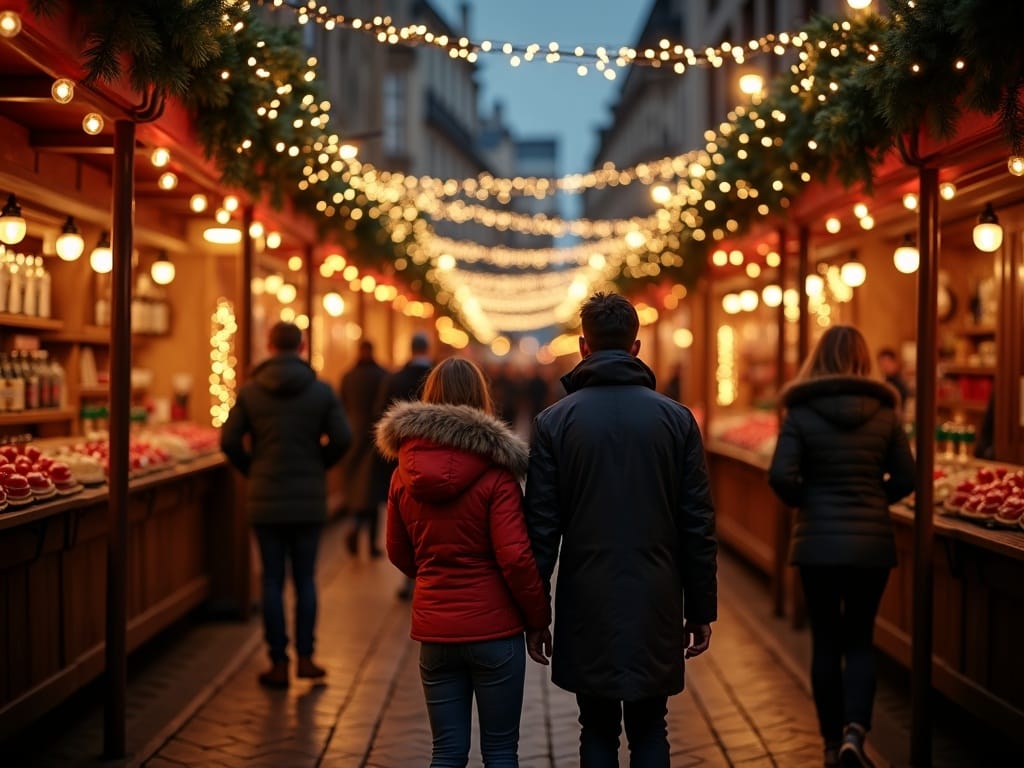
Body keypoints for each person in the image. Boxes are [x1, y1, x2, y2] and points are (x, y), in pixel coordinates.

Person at [524, 292, 718, 766]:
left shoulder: (554, 423)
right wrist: (700, 608)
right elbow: (697, 523)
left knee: (596, 728)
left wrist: (535, 614)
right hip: (657, 593)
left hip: (585, 593)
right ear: (636, 346)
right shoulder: (676, 421)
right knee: (652, 726)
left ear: (583, 347)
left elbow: (541, 529)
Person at [375, 357, 550, 767]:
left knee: (447, 751)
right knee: (500, 750)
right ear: (481, 400)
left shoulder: (403, 472)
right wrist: (538, 618)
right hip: (496, 630)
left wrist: (436, 577)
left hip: (436, 633)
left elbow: (398, 551)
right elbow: (516, 559)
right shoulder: (497, 474)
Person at [768, 326, 915, 768]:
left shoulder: (799, 411)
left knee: (827, 642)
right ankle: (856, 732)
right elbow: (907, 477)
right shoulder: (886, 411)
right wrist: (873, 501)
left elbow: (779, 475)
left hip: (817, 545)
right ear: (863, 359)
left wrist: (809, 503)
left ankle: (832, 745)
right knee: (862, 640)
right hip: (871, 546)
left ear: (818, 358)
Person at [221, 322, 352, 688]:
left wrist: (253, 469)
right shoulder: (320, 391)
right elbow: (344, 437)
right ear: (303, 346)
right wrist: (319, 465)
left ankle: (278, 661)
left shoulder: (250, 392)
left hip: (265, 498)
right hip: (308, 499)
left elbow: (229, 440)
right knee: (306, 580)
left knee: (272, 581)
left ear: (268, 345)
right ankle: (307, 658)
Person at [374, 331, 434, 600]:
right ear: (427, 348)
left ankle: (411, 577)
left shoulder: (394, 378)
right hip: (435, 457)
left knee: (405, 519)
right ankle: (427, 571)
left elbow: (380, 415)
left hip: (402, 461)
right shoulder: (437, 376)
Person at [340, 339, 390, 558]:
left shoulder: (348, 377)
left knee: (358, 493)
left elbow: (342, 405)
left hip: (352, 437)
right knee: (373, 492)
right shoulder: (382, 376)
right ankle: (370, 543)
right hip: (374, 438)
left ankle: (356, 528)